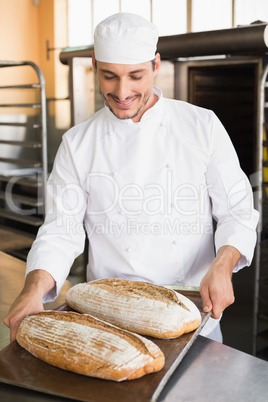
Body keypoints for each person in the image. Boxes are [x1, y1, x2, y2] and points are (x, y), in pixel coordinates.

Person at [4, 13, 259, 343]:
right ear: (94, 64)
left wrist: (223, 265)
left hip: (195, 314)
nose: (122, 92)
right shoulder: (78, 144)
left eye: (135, 76)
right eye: (109, 76)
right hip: (110, 322)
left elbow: (237, 211)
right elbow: (60, 230)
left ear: (155, 65)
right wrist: (33, 290)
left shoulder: (201, 126)